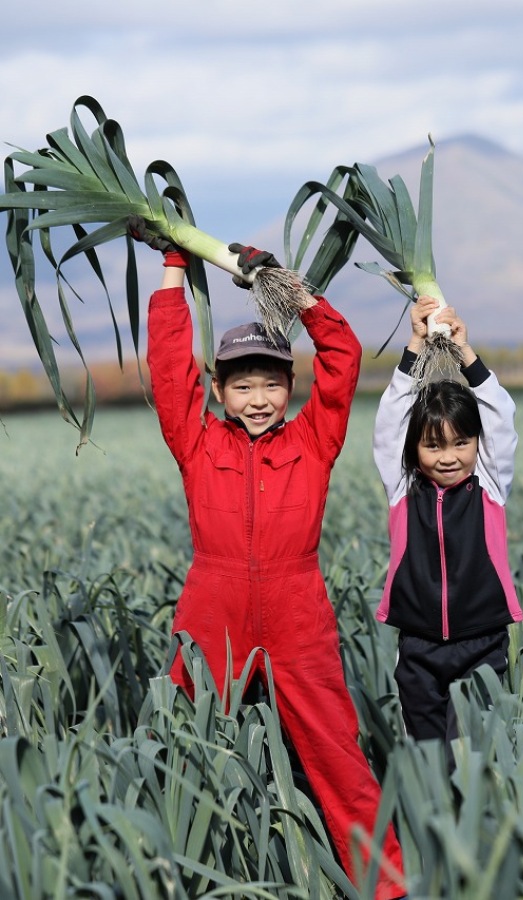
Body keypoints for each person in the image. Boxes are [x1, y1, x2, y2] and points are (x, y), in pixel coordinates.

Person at [134, 221, 405, 900]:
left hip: (296, 610)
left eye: (271, 384)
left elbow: (340, 355)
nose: (258, 399)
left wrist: (289, 290)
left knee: (336, 756)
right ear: (219, 393)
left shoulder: (315, 439)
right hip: (210, 611)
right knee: (175, 744)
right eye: (242, 386)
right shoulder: (198, 444)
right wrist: (173, 261)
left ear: (290, 387)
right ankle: (159, 874)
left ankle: (389, 887)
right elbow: (169, 368)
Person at [373, 296, 523, 756]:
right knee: (427, 759)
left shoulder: (490, 486)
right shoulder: (403, 489)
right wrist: (416, 344)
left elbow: (501, 420)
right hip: (418, 646)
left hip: (482, 644)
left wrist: (466, 354)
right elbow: (389, 426)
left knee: (475, 757)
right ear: (414, 450)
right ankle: (431, 829)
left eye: (462, 442)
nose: (449, 456)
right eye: (434, 445)